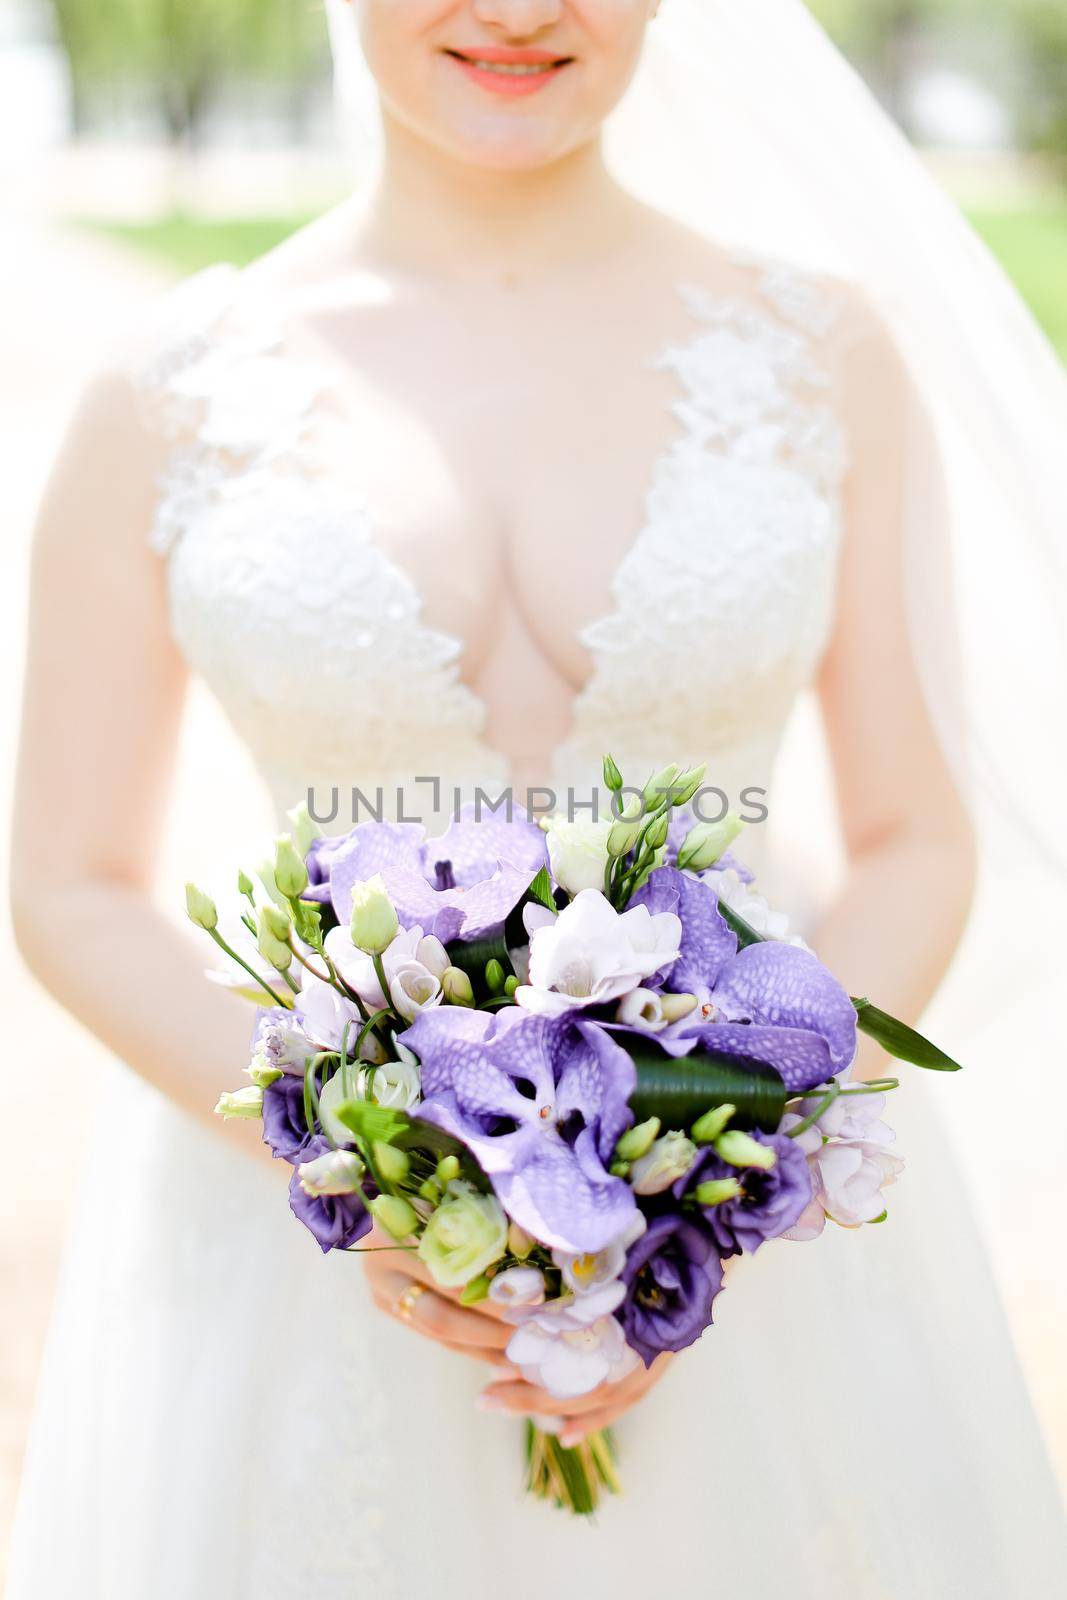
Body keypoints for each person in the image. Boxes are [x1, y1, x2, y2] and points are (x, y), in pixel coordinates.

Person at [7, 2, 1065, 1596]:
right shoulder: (166, 391)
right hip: (299, 1251)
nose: (515, 11)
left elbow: (918, 837)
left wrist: (705, 1182)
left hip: (737, 1249)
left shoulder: (820, 353)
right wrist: (377, 1172)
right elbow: (71, 879)